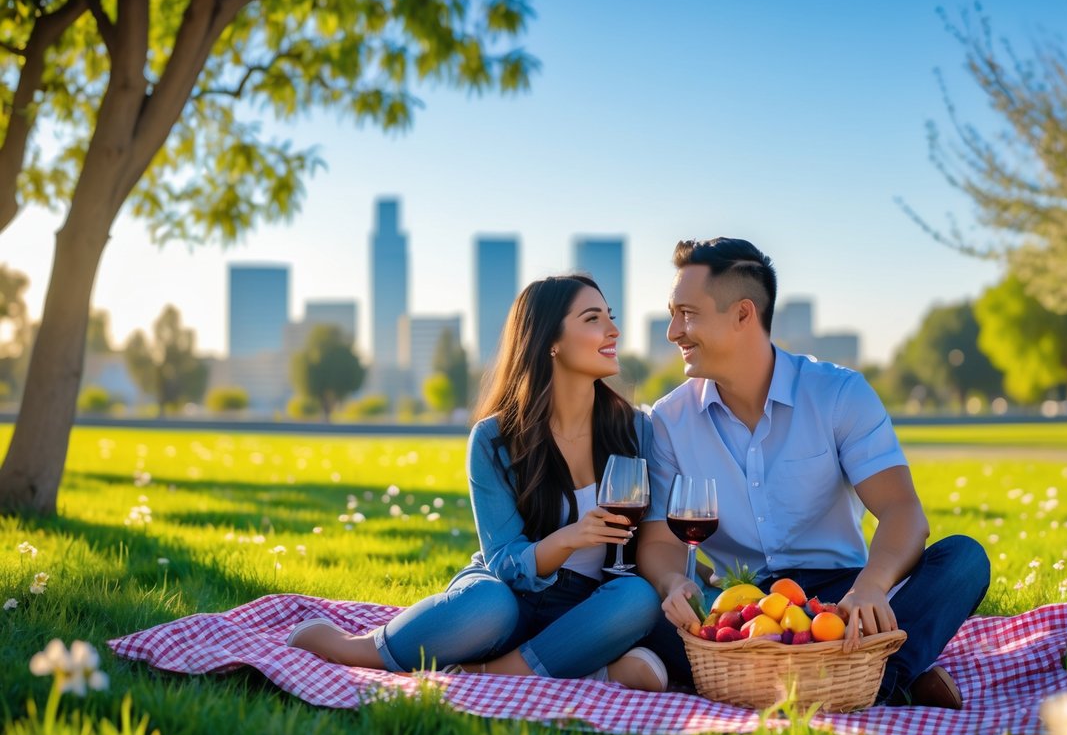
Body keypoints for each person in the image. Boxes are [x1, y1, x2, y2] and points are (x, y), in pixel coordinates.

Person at [637, 238, 989, 708]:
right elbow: (661, 541)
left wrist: (871, 588)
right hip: (739, 606)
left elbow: (903, 511)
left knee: (964, 560)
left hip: (839, 596)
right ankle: (880, 684)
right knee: (633, 603)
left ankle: (798, 684)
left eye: (688, 313)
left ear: (743, 315)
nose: (673, 331)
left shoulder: (838, 394)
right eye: (673, 313)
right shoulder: (669, 420)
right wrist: (673, 583)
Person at [289, 275, 668, 691]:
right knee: (489, 605)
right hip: (509, 598)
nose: (614, 330)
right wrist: (570, 538)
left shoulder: (636, 429)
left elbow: (652, 538)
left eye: (610, 318)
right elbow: (504, 561)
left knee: (637, 599)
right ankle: (361, 649)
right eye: (593, 319)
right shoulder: (494, 439)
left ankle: (495, 674)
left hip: (587, 608)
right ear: (550, 341)